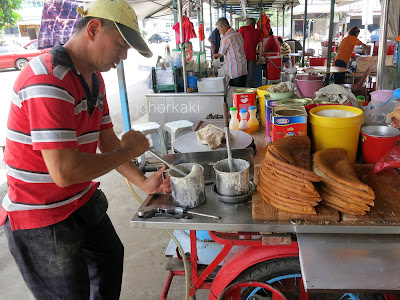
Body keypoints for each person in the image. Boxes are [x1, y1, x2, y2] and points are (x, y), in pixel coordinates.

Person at [1, 0, 170, 299]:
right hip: (40, 215)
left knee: (109, 258)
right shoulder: (47, 79)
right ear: (93, 29)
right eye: (120, 44)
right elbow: (65, 172)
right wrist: (129, 151)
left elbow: (107, 141)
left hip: (78, 200)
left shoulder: (94, 79)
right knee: (70, 292)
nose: (124, 55)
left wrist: (144, 182)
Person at [213, 17, 247, 87]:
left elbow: (220, 54)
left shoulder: (226, 38)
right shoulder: (238, 35)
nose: (219, 32)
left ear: (224, 26)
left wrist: (215, 55)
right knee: (243, 93)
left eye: (219, 29)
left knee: (235, 93)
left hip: (234, 71)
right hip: (243, 69)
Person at [238, 18, 263, 88]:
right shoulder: (258, 32)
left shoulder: (242, 29)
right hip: (252, 57)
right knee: (250, 77)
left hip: (242, 56)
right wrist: (260, 57)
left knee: (242, 75)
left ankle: (241, 91)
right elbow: (261, 45)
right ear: (254, 24)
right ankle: (249, 92)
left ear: (247, 23)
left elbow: (238, 42)